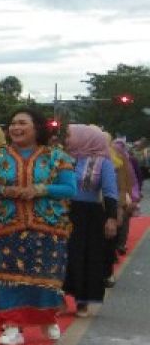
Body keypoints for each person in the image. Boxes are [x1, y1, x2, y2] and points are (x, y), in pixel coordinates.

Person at [0, 108, 76, 345]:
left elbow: (70, 189)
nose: (15, 128)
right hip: (5, 227)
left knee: (44, 276)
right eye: (12, 123)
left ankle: (47, 318)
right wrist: (3, 190)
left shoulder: (56, 157)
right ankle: (11, 325)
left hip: (47, 227)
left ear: (37, 128)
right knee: (8, 278)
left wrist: (40, 190)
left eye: (22, 123)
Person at [63, 125, 117, 317]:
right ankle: (58, 299)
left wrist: (111, 218)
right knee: (61, 254)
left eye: (70, 136)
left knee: (84, 257)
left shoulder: (103, 162)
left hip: (89, 216)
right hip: (62, 212)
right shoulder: (65, 158)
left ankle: (82, 301)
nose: (67, 139)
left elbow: (110, 191)